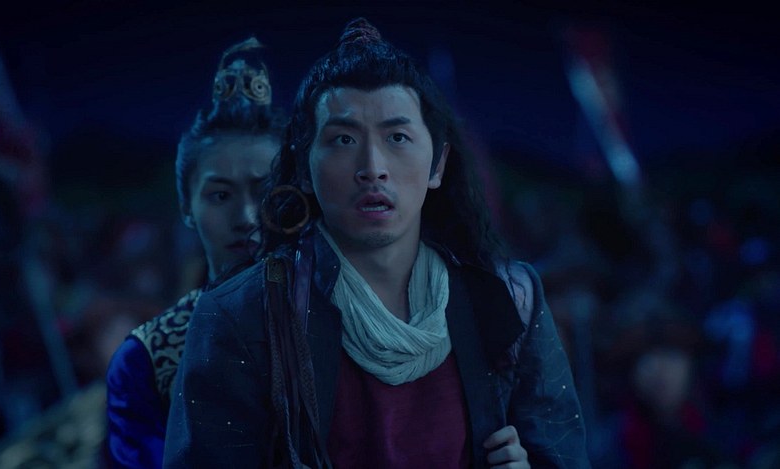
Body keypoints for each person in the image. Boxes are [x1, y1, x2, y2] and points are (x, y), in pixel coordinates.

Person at [165, 18, 589, 468]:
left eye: (397, 137)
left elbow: (561, 455)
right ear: (304, 167)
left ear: (437, 165)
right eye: (343, 139)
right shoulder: (242, 314)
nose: (372, 167)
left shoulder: (509, 297)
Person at [105, 37, 287, 468]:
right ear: (187, 207)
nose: (246, 217)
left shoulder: (348, 320)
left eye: (264, 190)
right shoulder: (148, 358)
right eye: (220, 195)